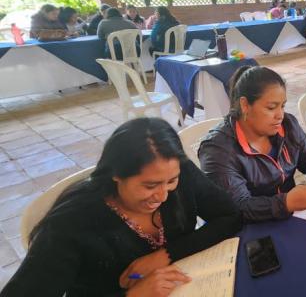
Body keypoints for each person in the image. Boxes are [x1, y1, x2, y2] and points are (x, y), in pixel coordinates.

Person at [0, 118, 242, 297]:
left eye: (171, 181)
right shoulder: (71, 223)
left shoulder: (178, 172)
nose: (162, 195)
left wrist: (166, 255)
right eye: (149, 185)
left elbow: (229, 215)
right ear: (116, 175)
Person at [199, 66, 306, 223]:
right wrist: (286, 203)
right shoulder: (218, 150)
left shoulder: (288, 125)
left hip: (289, 216)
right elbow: (238, 207)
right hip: (250, 229)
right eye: (271, 107)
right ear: (245, 105)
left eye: (283, 106)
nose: (280, 115)